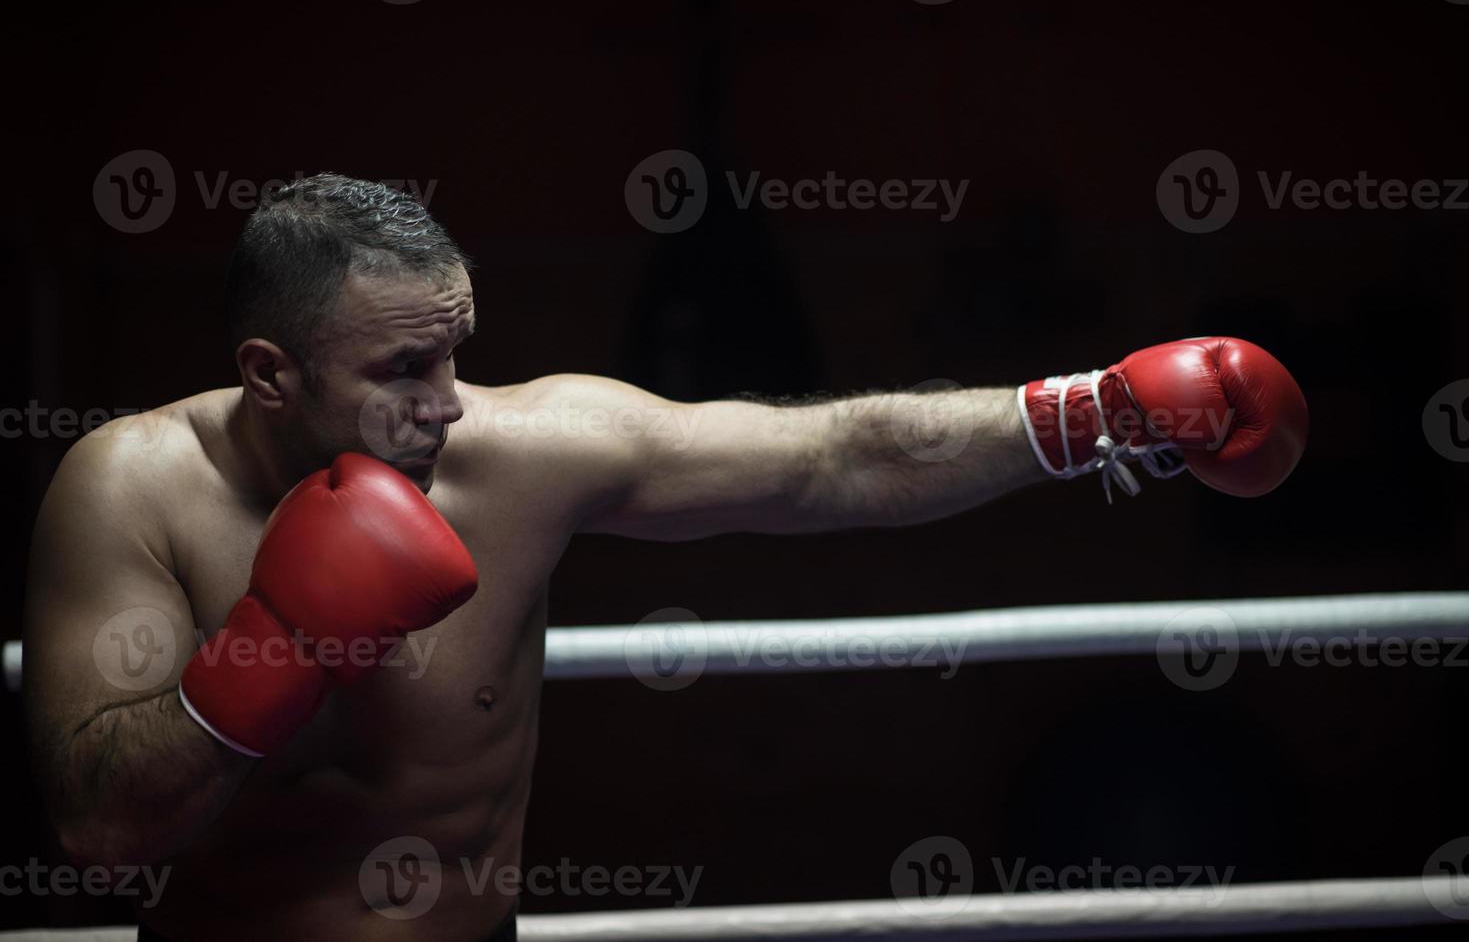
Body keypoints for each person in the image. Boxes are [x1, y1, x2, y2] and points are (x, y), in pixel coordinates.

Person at [22, 174, 1308, 941]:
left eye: (457, 353)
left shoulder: (521, 453)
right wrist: (278, 640)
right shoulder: (129, 487)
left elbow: (830, 457)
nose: (450, 403)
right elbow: (100, 829)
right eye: (403, 371)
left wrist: (1091, 412)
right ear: (269, 374)